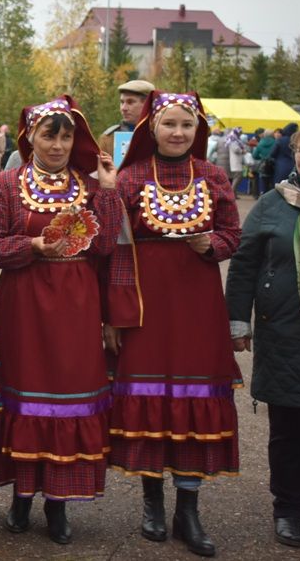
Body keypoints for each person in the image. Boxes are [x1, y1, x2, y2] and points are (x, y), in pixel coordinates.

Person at [103, 91, 242, 557]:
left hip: (197, 307)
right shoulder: (130, 178)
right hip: (146, 305)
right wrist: (117, 315)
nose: (178, 132)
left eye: (187, 125)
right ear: (152, 128)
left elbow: (232, 234)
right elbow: (118, 249)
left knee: (192, 399)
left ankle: (188, 507)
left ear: (197, 129)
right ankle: (152, 504)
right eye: (170, 125)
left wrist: (215, 246)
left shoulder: (214, 175)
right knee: (149, 399)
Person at [0, 96, 123, 544]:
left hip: (76, 305)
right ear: (30, 138)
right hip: (24, 302)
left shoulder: (88, 185)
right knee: (25, 397)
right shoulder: (7, 183)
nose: (59, 144)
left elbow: (104, 249)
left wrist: (108, 189)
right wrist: (33, 247)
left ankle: (58, 501)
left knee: (67, 397)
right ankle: (23, 494)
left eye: (66, 136)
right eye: (50, 135)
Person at [226, 120, 300, 550]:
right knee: (288, 432)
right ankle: (288, 511)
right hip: (285, 333)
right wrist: (238, 322)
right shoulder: (272, 203)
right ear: (294, 154)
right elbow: (245, 265)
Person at [98, 79, 155, 154]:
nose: (123, 108)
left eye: (130, 102)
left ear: (147, 104)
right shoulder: (109, 138)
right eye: (122, 102)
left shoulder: (160, 135)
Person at [223, 127, 247, 197]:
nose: (240, 134)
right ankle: (232, 192)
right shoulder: (233, 140)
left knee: (237, 176)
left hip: (237, 161)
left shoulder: (235, 139)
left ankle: (233, 193)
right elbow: (235, 149)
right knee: (238, 176)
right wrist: (242, 151)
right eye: (240, 133)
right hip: (235, 161)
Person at [253, 128, 278, 195]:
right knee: (273, 183)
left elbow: (255, 155)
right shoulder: (276, 142)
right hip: (273, 165)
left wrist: (261, 157)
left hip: (263, 165)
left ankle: (263, 196)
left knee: (263, 183)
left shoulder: (260, 143)